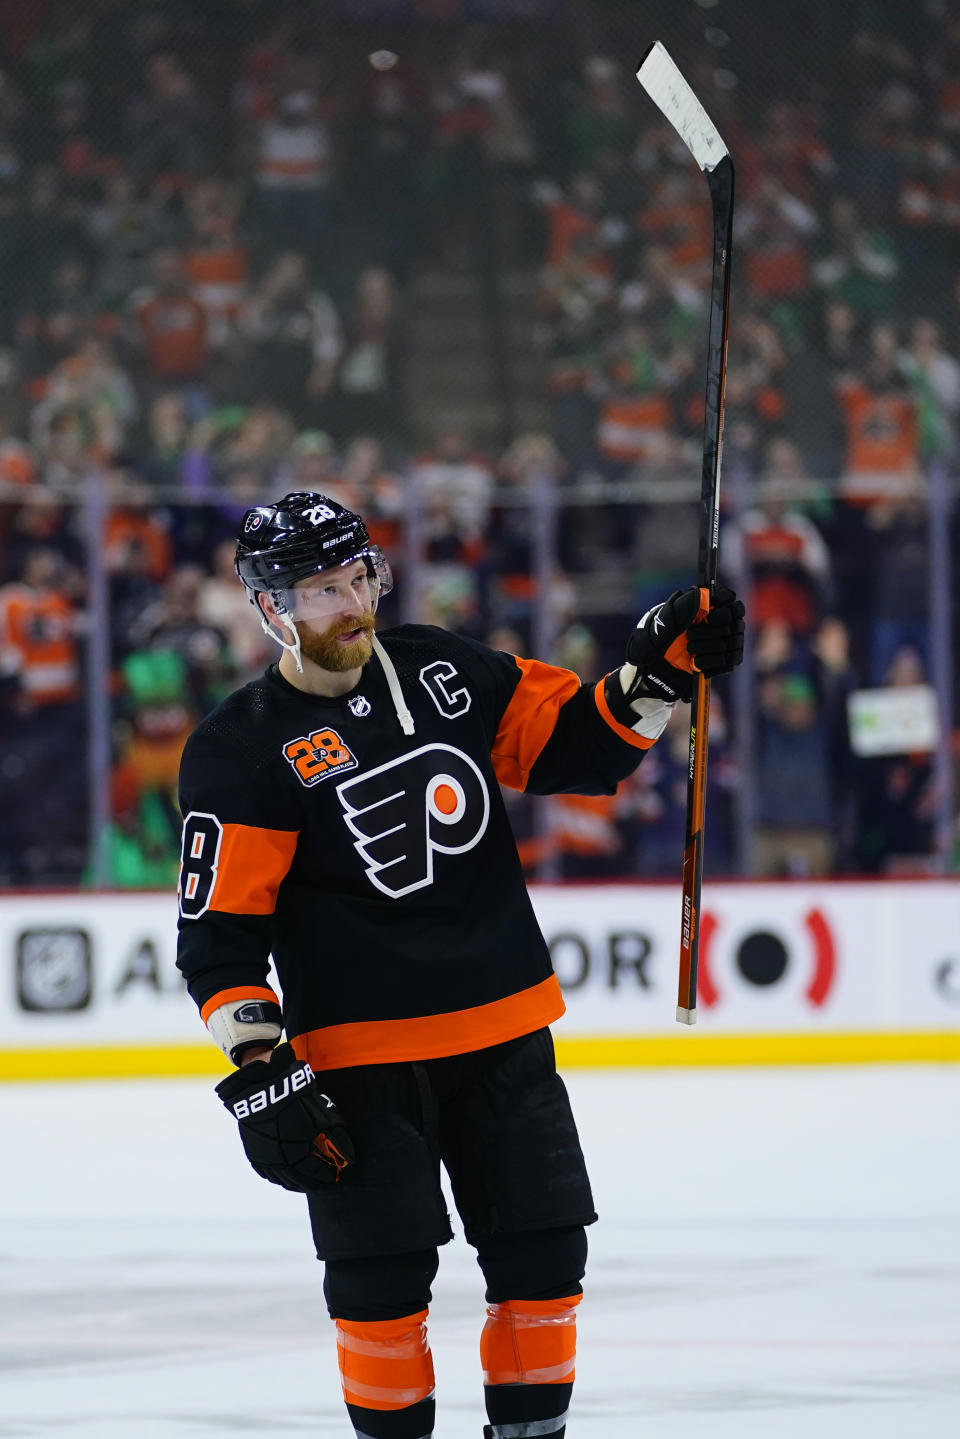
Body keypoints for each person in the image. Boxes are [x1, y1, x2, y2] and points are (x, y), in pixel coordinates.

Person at [176, 491, 745, 1439]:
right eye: (323, 589)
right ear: (272, 606)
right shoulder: (240, 747)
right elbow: (220, 937)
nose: (353, 603)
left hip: (505, 1029)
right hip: (360, 1063)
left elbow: (580, 745)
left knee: (544, 1257)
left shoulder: (444, 668)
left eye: (361, 577)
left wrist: (664, 665)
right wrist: (262, 1066)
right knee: (379, 1282)